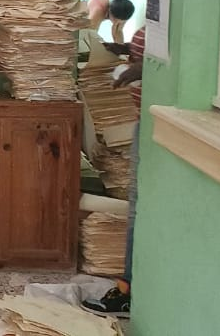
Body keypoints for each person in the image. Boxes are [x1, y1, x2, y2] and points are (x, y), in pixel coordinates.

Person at [83, 26, 145, 318]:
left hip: (154, 122)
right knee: (138, 207)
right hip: (144, 120)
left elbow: (177, 60)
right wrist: (128, 51)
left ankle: (128, 290)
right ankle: (129, 288)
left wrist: (148, 69)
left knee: (139, 209)